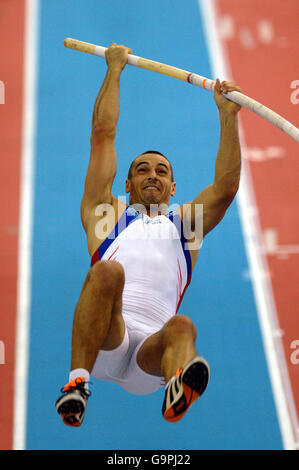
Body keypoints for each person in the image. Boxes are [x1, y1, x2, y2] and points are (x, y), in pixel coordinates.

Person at [55, 43, 242, 427]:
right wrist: (114, 70)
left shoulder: (186, 225)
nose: (152, 175)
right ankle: (77, 384)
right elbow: (102, 136)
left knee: (183, 327)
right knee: (108, 272)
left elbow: (224, 190)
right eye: (142, 169)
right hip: (107, 338)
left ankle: (177, 385)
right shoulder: (105, 214)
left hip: (149, 359)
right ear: (127, 182)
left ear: (174, 188)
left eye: (161, 171)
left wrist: (228, 117)